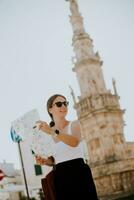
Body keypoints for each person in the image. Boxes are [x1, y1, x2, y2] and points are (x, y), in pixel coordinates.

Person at [35, 94, 99, 200]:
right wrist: (44, 161)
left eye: (65, 103)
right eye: (59, 104)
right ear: (50, 110)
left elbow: (74, 142)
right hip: (61, 177)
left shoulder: (74, 124)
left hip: (79, 172)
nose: (63, 106)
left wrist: (51, 131)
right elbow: (54, 160)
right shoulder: (47, 133)